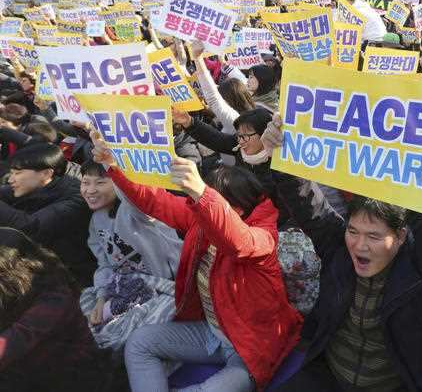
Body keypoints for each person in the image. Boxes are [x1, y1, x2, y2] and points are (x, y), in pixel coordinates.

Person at [263, 114, 422, 392]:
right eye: (353, 231)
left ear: (400, 236)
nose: (359, 245)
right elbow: (309, 205)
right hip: (328, 376)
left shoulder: (418, 268)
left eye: (374, 236)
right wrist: (282, 156)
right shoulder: (338, 248)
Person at [91, 134, 303, 392]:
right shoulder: (199, 219)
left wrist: (202, 194)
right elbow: (155, 201)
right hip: (211, 332)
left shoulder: (263, 238)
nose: (197, 206)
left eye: (206, 200)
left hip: (252, 346)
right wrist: (113, 164)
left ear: (239, 208)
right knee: (140, 343)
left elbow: (238, 242)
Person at [79, 161, 183, 351]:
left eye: (100, 182)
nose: (90, 190)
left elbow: (135, 195)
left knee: (136, 341)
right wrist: (102, 297)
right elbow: (105, 265)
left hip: (167, 287)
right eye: (85, 182)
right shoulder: (96, 220)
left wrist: (112, 162)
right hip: (130, 290)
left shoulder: (138, 211)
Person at [0, 227, 108, 391]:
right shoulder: (13, 299)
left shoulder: (54, 298)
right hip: (33, 376)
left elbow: (16, 339)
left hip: (78, 379)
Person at [0, 143, 95, 286]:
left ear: (46, 173)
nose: (11, 179)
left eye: (17, 173)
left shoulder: (76, 199)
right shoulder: (42, 184)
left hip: (74, 278)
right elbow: (6, 192)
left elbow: (32, 227)